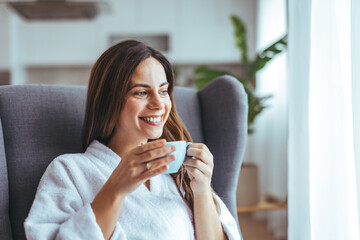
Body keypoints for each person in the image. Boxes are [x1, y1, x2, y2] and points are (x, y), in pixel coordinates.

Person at [24, 40, 241, 240]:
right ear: (110, 100)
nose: (159, 104)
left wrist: (202, 190)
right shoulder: (69, 170)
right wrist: (116, 188)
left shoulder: (179, 170)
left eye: (164, 91)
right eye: (141, 93)